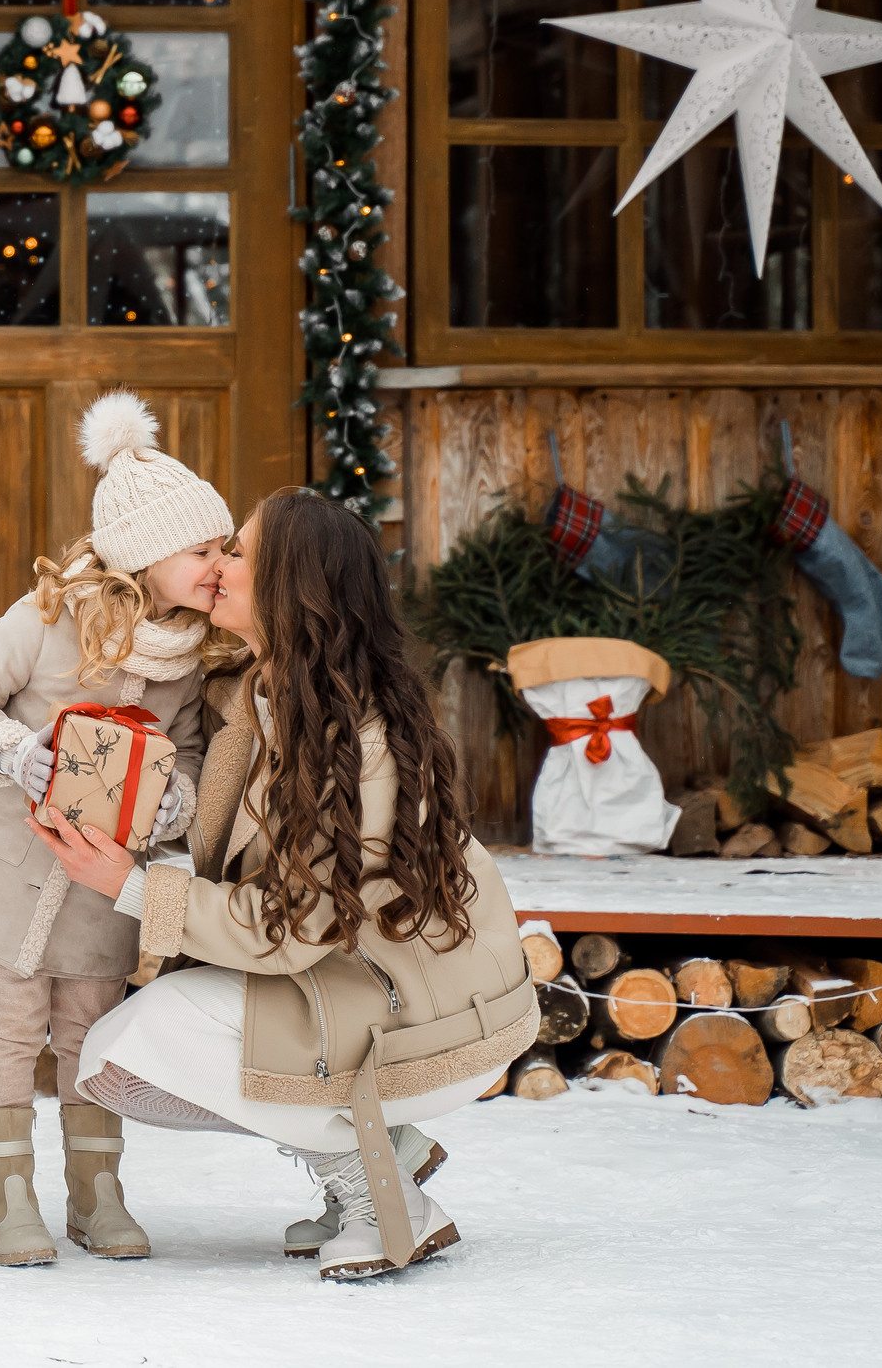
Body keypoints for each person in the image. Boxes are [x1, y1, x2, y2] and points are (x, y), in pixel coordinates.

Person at [34, 489, 538, 1281]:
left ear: (289, 586)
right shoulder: (263, 695)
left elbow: (289, 928)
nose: (217, 565)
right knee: (133, 1049)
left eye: (236, 551)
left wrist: (128, 886)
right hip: (363, 982)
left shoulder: (354, 737)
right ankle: (386, 1154)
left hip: (430, 1016)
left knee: (129, 1048)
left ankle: (381, 1197)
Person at [0, 392, 228, 1267]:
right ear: (146, 555)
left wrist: (174, 802)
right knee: (11, 1027)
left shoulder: (191, 654)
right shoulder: (48, 618)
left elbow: (194, 756)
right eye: (202, 549)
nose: (218, 564)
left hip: (101, 884)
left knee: (92, 1030)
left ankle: (97, 1193)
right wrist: (14, 750)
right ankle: (9, 1198)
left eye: (220, 547)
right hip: (10, 871)